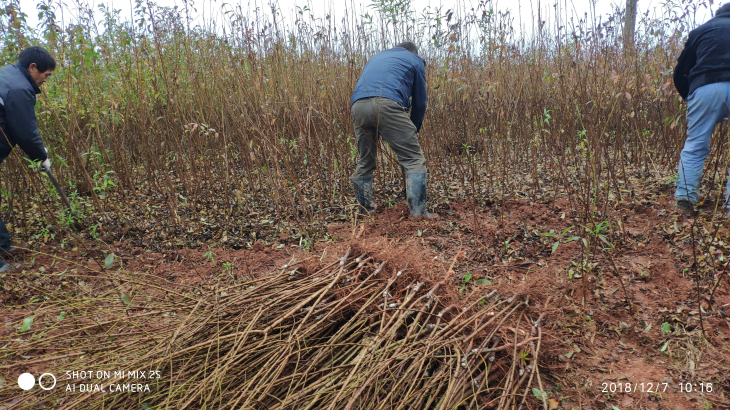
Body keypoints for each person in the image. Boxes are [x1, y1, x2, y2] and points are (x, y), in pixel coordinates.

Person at [349, 41, 436, 218]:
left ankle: (365, 210)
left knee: (366, 159)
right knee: (413, 159)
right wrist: (414, 129)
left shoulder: (376, 57)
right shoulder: (415, 59)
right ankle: (419, 213)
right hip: (387, 104)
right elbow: (420, 103)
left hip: (357, 105)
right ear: (413, 52)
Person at [0, 46, 56, 272]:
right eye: (46, 75)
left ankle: (4, 246)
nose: (45, 80)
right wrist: (41, 157)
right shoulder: (20, 87)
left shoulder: (7, 74)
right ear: (32, 67)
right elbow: (25, 131)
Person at [673, 3, 730, 213]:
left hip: (705, 87)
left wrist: (689, 95)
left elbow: (681, 71)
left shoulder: (701, 31)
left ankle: (685, 200)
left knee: (696, 144)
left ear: (717, 16)